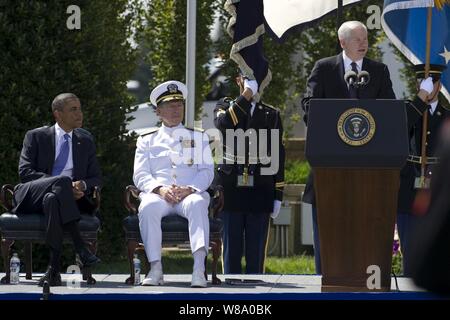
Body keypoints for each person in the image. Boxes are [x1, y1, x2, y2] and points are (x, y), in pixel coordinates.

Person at [301, 21, 396, 274]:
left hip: (370, 168)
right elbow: (309, 107)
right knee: (329, 231)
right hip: (330, 167)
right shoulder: (324, 68)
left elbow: (389, 113)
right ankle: (327, 278)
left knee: (364, 230)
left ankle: (365, 279)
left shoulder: (379, 71)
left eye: (365, 39)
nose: (363, 44)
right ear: (343, 42)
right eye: (357, 39)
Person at [12, 93, 101, 286]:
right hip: (31, 194)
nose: (80, 114)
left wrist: (81, 186)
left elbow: (96, 177)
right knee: (60, 182)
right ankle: (81, 247)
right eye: (73, 109)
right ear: (58, 114)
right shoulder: (36, 136)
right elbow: (25, 172)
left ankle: (53, 270)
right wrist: (64, 184)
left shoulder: (85, 140)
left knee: (53, 199)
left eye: (80, 108)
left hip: (63, 199)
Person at [133, 80, 214, 287]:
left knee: (197, 203)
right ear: (158, 112)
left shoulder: (198, 137)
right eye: (170, 105)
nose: (176, 109)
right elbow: (140, 174)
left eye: (179, 104)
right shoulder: (146, 140)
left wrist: (190, 189)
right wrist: (160, 189)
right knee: (148, 206)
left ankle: (199, 269)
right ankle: (155, 268)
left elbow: (206, 171)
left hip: (188, 194)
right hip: (160, 196)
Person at [214, 73, 285, 274]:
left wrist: (278, 194)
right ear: (239, 81)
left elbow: (278, 155)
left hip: (260, 188)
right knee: (231, 251)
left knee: (256, 252)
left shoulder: (271, 114)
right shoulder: (224, 106)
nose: (254, 87)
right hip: (230, 190)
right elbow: (224, 124)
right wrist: (246, 95)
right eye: (248, 81)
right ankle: (231, 294)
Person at [397, 64, 450, 276]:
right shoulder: (408, 111)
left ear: (439, 85)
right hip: (410, 181)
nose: (427, 87)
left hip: (438, 184)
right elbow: (400, 128)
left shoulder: (447, 115)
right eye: (422, 82)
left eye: (432, 82)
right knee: (408, 240)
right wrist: (420, 100)